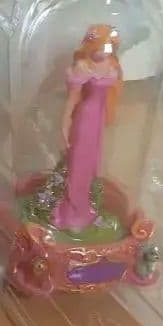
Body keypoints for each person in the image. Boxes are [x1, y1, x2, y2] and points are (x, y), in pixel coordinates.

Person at [51, 24, 123, 232]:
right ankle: (71, 212)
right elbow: (72, 100)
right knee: (78, 164)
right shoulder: (83, 67)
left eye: (109, 47)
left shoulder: (111, 65)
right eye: (102, 46)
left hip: (98, 120)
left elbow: (112, 93)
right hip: (84, 119)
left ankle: (85, 209)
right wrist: (65, 123)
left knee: (91, 164)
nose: (105, 51)